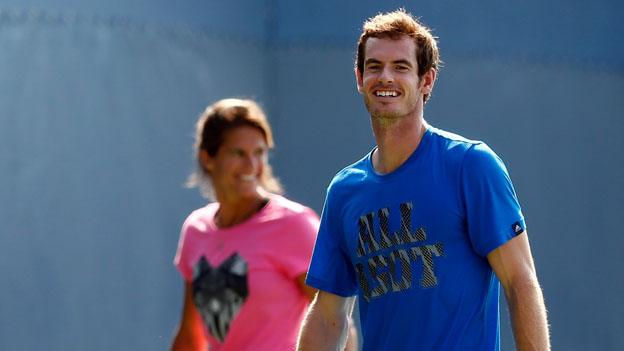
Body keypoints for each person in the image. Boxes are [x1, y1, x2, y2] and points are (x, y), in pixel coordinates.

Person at [297, 9, 550, 351]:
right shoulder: (344, 191)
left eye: (400, 67)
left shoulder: (469, 165)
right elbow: (329, 316)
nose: (385, 77)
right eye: (374, 66)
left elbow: (520, 282)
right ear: (359, 78)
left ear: (426, 80)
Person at [171, 98, 320, 351]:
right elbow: (190, 338)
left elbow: (335, 323)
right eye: (238, 153)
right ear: (208, 157)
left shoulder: (295, 225)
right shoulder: (195, 230)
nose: (252, 165)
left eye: (259, 153)